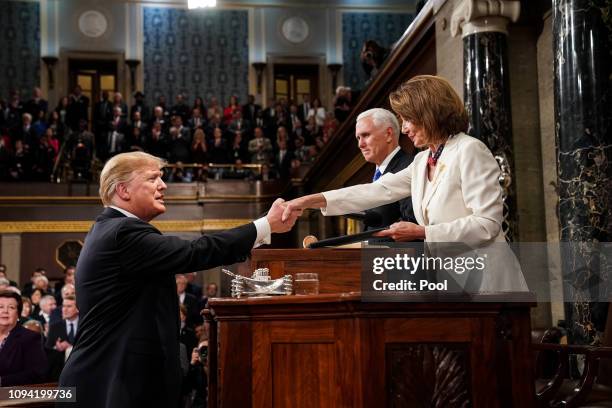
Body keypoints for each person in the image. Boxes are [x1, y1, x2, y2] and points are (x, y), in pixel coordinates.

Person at [58, 151, 299, 408]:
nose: (163, 186)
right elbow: (194, 251)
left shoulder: (111, 229)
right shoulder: (122, 232)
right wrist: (265, 225)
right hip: (113, 384)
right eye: (153, 178)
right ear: (123, 190)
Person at [282, 75, 527, 292]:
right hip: (452, 281)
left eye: (407, 119)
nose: (405, 128)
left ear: (429, 113)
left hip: (490, 284)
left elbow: (487, 225)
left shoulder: (470, 150)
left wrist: (424, 232)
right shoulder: (422, 160)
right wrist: (309, 201)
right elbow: (376, 190)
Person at [354, 108, 416, 233]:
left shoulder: (410, 166)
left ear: (388, 134)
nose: (360, 144)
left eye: (365, 135)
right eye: (358, 138)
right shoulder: (377, 174)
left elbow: (410, 226)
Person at [0, 291, 48, 386]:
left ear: (18, 314)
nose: (5, 311)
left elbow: (36, 374)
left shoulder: (30, 338)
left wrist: (2, 381)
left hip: (13, 397)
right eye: (0, 307)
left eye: (11, 307)